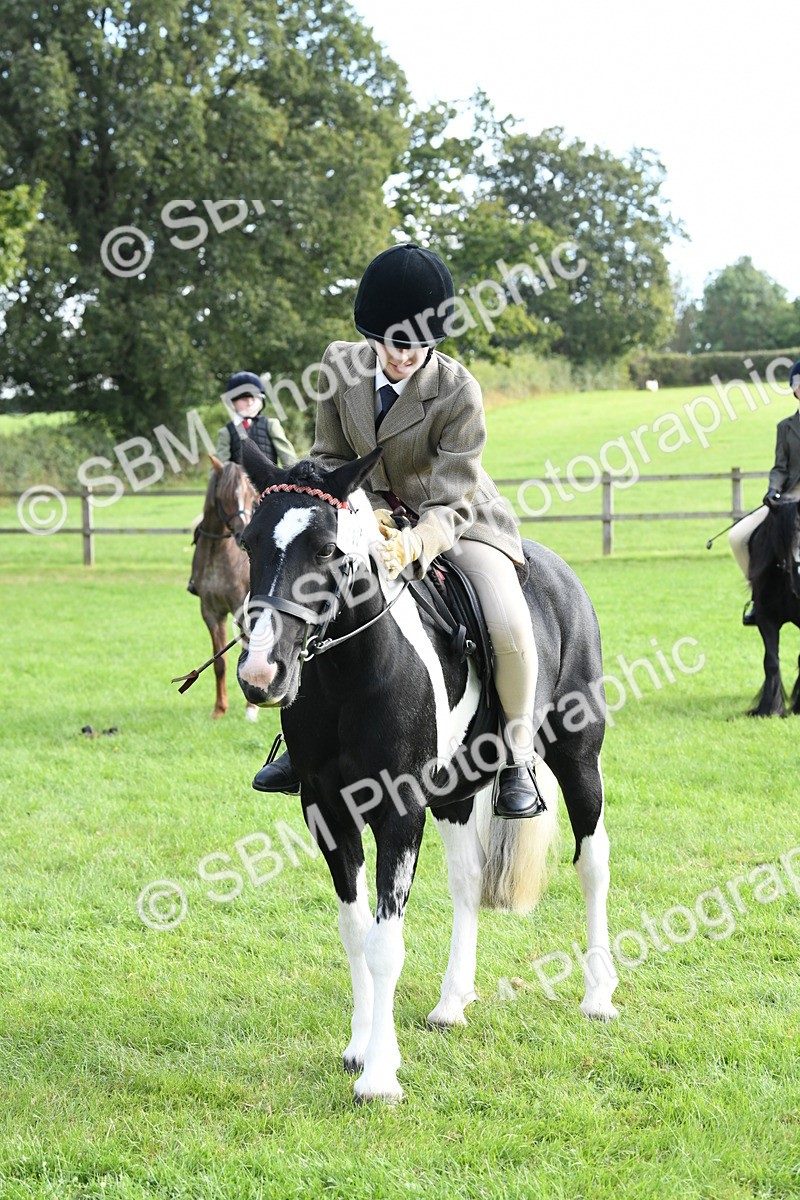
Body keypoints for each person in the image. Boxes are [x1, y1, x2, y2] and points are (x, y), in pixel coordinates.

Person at [252, 243, 545, 820]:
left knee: (508, 621)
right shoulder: (340, 366)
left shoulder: (459, 391)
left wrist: (416, 540)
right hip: (364, 511)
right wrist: (366, 514)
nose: (405, 356)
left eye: (417, 346)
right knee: (313, 598)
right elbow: (330, 455)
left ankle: (516, 757)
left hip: (458, 518)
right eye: (393, 343)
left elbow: (453, 491)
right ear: (370, 334)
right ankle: (300, 743)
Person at [187, 372, 297, 594]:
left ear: (260, 400)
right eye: (241, 398)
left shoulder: (271, 425)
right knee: (202, 527)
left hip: (268, 492)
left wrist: (293, 481)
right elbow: (221, 464)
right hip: (237, 493)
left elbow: (287, 457)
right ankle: (198, 577)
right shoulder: (226, 431)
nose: (247, 402)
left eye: (251, 398)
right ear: (232, 403)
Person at [730, 358, 800, 624]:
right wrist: (773, 490)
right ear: (794, 390)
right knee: (738, 537)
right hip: (788, 500)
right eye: (799, 384)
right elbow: (780, 467)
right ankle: (759, 598)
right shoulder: (785, 427)